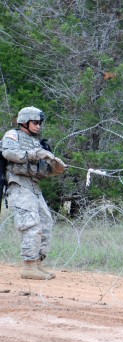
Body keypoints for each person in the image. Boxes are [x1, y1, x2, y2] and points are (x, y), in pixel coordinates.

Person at [1, 106, 66, 280]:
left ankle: (37, 263)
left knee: (46, 223)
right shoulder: (12, 136)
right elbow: (8, 153)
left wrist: (55, 168)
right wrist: (36, 154)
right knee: (31, 223)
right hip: (19, 185)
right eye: (35, 122)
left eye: (40, 123)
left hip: (34, 187)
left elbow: (42, 171)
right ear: (24, 122)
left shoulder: (37, 143)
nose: (38, 126)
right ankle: (29, 265)